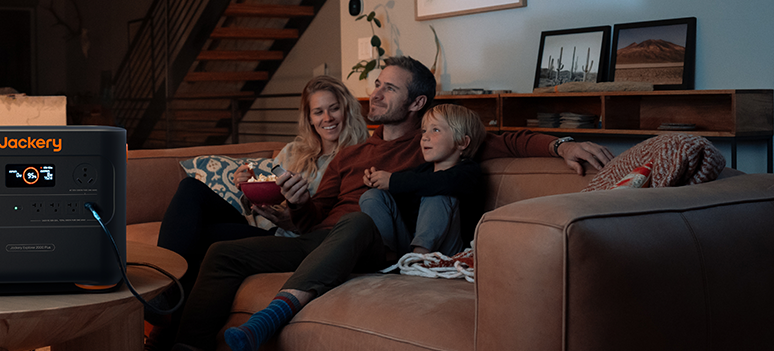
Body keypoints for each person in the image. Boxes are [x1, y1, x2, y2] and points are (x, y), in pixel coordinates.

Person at [172, 56, 614, 351]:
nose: (377, 94)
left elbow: (508, 140)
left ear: (417, 102)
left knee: (361, 218)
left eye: (389, 89)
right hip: (322, 241)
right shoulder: (350, 154)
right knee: (222, 253)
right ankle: (179, 343)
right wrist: (295, 204)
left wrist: (561, 145)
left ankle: (277, 312)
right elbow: (311, 219)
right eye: (378, 85)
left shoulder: (434, 143)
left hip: (373, 243)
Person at [149, 75, 370, 350]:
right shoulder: (294, 151)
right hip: (259, 223)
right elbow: (265, 193)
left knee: (198, 241)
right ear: (309, 118)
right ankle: (164, 288)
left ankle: (165, 319)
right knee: (190, 189)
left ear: (346, 108)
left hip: (289, 238)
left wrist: (291, 219)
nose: (327, 118)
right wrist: (246, 186)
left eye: (334, 108)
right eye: (318, 111)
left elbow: (334, 220)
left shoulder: (356, 156)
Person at [359, 103, 487, 256]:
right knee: (372, 196)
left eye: (435, 130)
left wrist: (393, 181)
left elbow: (442, 182)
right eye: (424, 130)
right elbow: (401, 194)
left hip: (450, 251)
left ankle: (419, 260)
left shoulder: (468, 171)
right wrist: (376, 182)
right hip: (408, 247)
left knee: (437, 192)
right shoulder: (423, 171)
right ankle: (386, 256)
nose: (425, 137)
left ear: (462, 142)